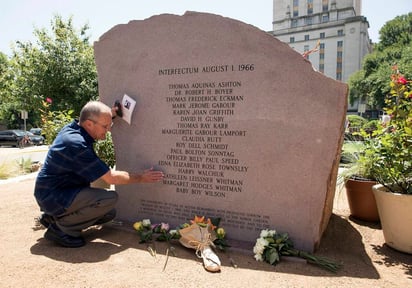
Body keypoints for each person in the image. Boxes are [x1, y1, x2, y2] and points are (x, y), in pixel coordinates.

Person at [34, 101, 164, 247]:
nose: (108, 130)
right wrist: (141, 177)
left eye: (110, 125)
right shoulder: (76, 144)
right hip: (54, 196)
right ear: (89, 124)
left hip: (55, 192)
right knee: (108, 199)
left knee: (108, 214)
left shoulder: (73, 128)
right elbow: (111, 178)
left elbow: (91, 115)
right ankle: (61, 229)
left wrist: (112, 113)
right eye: (105, 126)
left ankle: (52, 218)